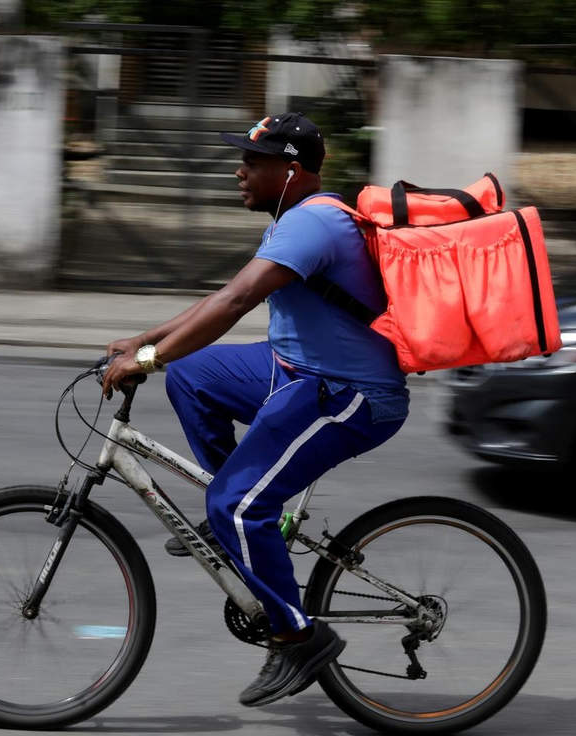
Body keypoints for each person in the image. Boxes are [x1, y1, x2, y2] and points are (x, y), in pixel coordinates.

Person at [102, 112, 408, 707]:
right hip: (292, 370)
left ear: (291, 172)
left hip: (350, 394)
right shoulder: (294, 219)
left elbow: (238, 300)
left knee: (238, 505)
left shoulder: (313, 225)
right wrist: (145, 344)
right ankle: (240, 527)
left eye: (254, 162)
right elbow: (222, 297)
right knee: (191, 376)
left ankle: (297, 635)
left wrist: (144, 360)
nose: (239, 171)